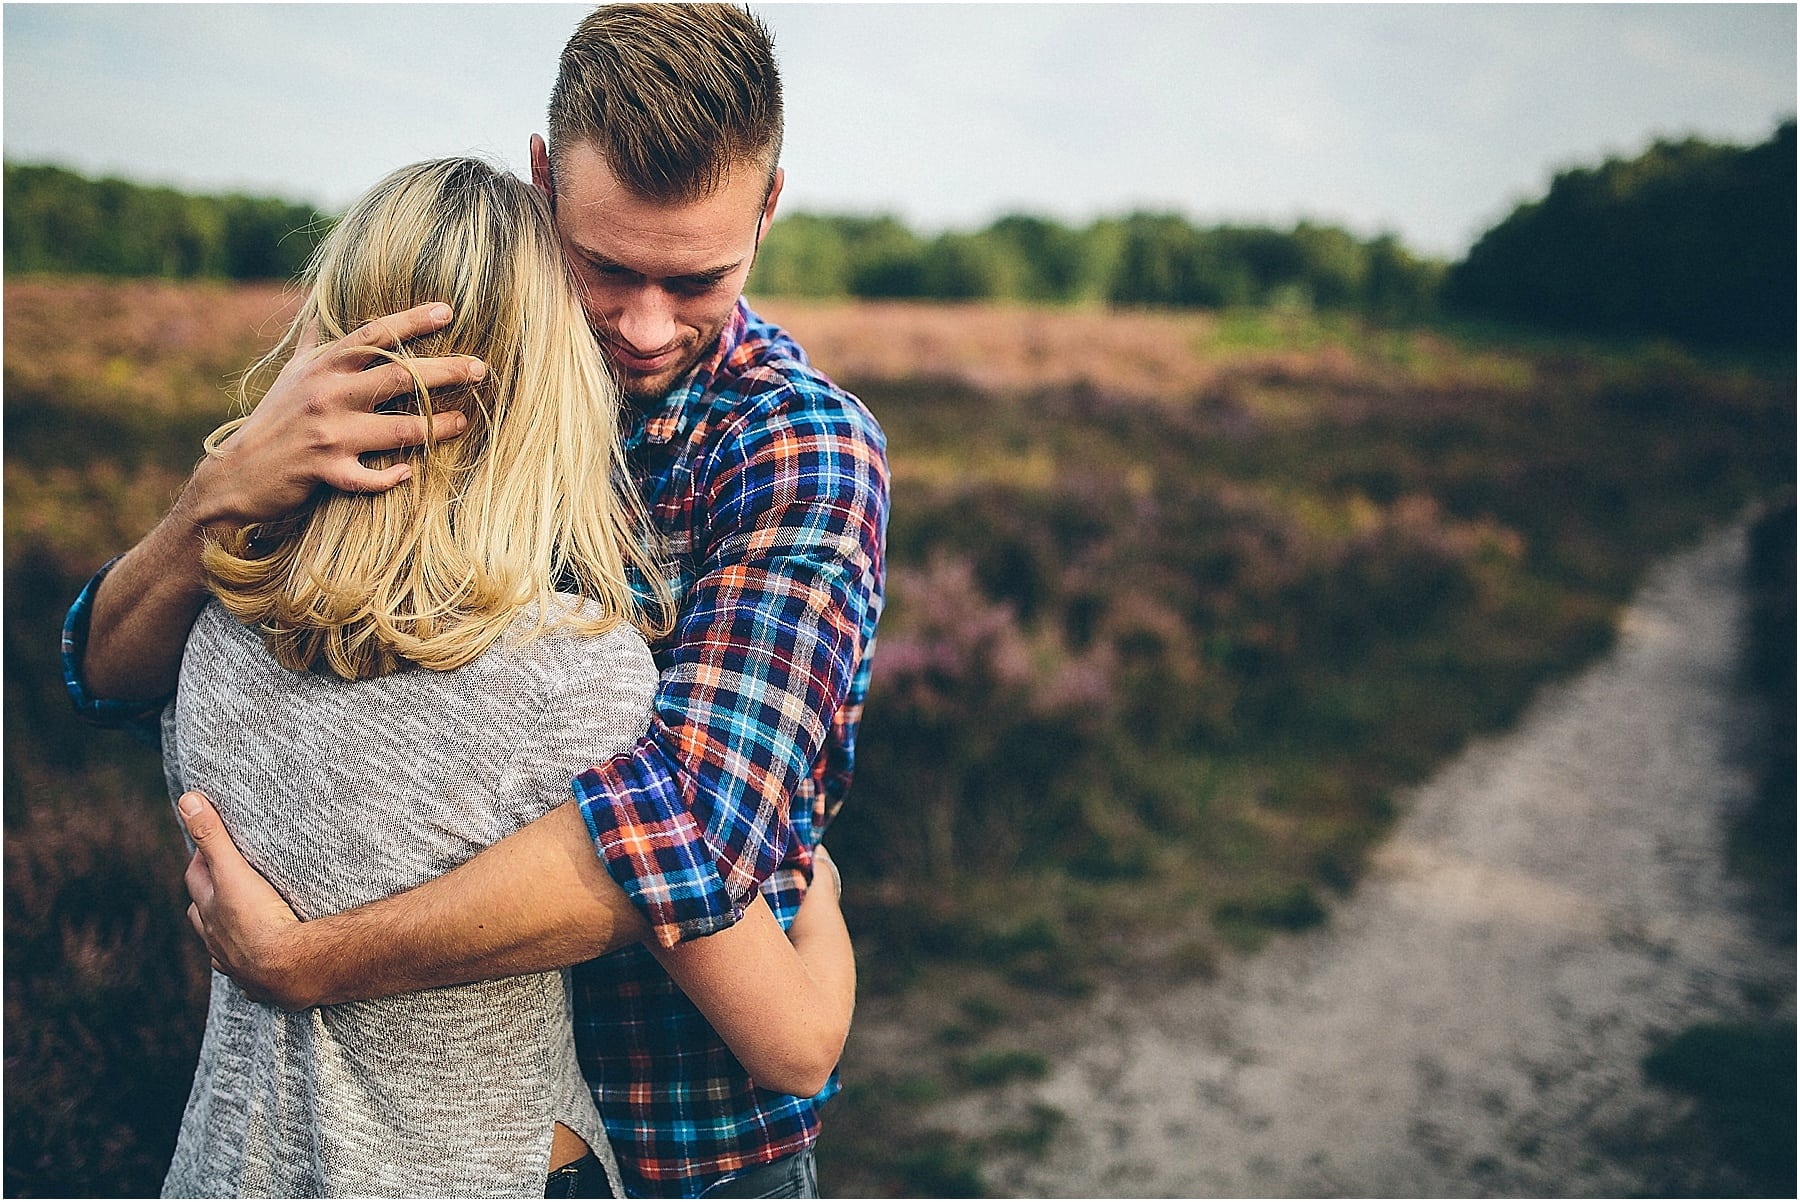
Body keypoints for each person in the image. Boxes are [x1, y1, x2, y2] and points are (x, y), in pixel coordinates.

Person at [62, 4, 888, 1197]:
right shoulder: (452, 389)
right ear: (543, 177)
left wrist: (305, 960)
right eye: (607, 268)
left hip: (678, 1141)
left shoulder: (798, 449)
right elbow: (101, 674)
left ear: (767, 208)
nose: (646, 327)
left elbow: (683, 836)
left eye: (697, 277)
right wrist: (215, 500)